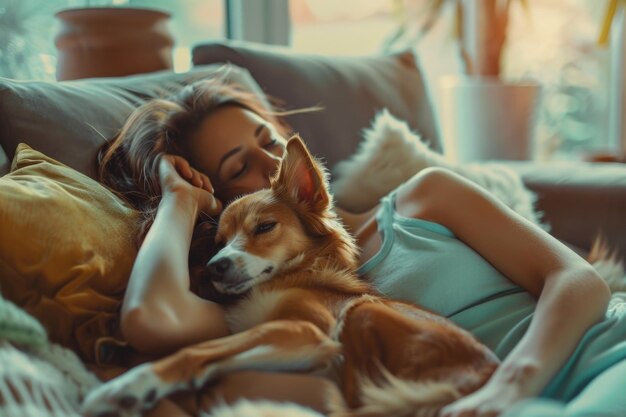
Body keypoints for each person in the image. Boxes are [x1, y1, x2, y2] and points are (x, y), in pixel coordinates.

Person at [98, 78, 626, 417]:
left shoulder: (424, 197)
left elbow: (579, 279)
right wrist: (178, 201)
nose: (272, 162)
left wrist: (514, 382)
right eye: (240, 168)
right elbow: (150, 318)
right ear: (224, 203)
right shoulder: (276, 302)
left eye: (269, 138)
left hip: (601, 356)